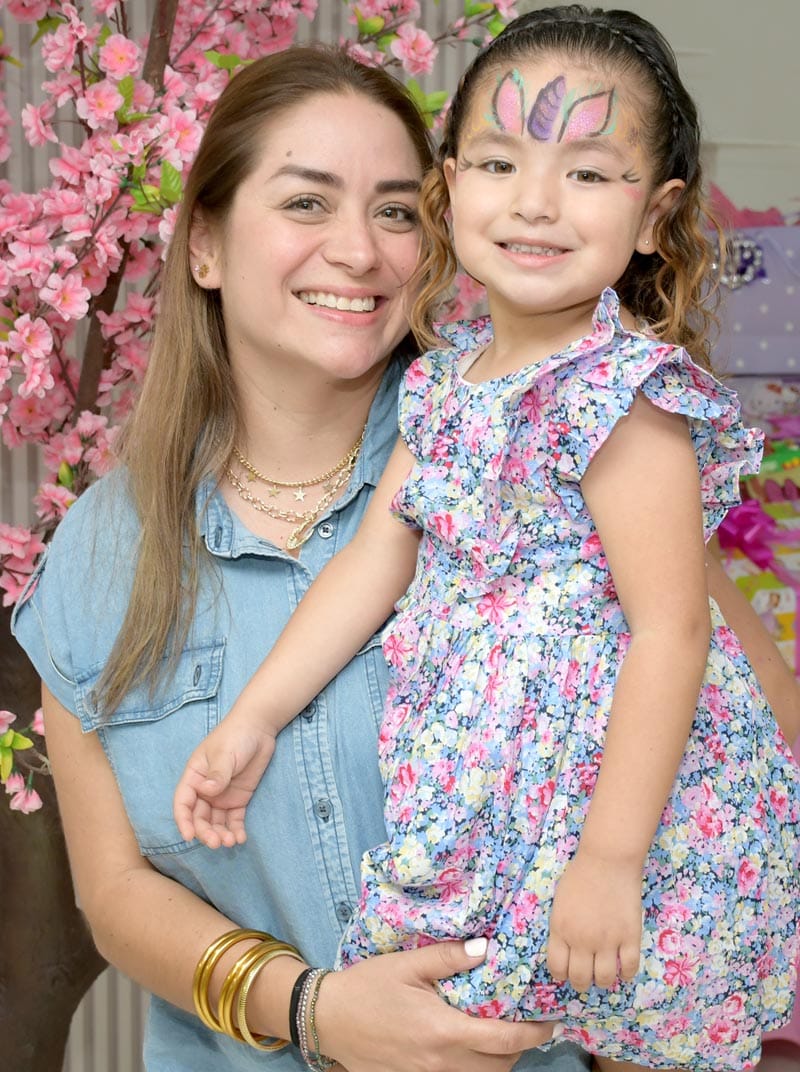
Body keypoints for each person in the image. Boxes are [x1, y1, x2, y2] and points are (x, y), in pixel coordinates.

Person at [172, 9, 800, 1072]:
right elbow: (374, 561)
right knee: (459, 1032)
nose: (535, 202)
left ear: (654, 215)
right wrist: (254, 716)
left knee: (636, 1030)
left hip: (628, 814)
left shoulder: (624, 399)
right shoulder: (443, 383)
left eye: (587, 174)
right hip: (493, 799)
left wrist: (610, 859)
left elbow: (671, 632)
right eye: (500, 164)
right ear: (450, 188)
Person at [11, 46, 590, 1072]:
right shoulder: (98, 556)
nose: (359, 251)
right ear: (205, 246)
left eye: (397, 211)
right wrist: (313, 1010)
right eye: (306, 203)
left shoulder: (534, 459)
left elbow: (734, 741)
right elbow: (116, 894)